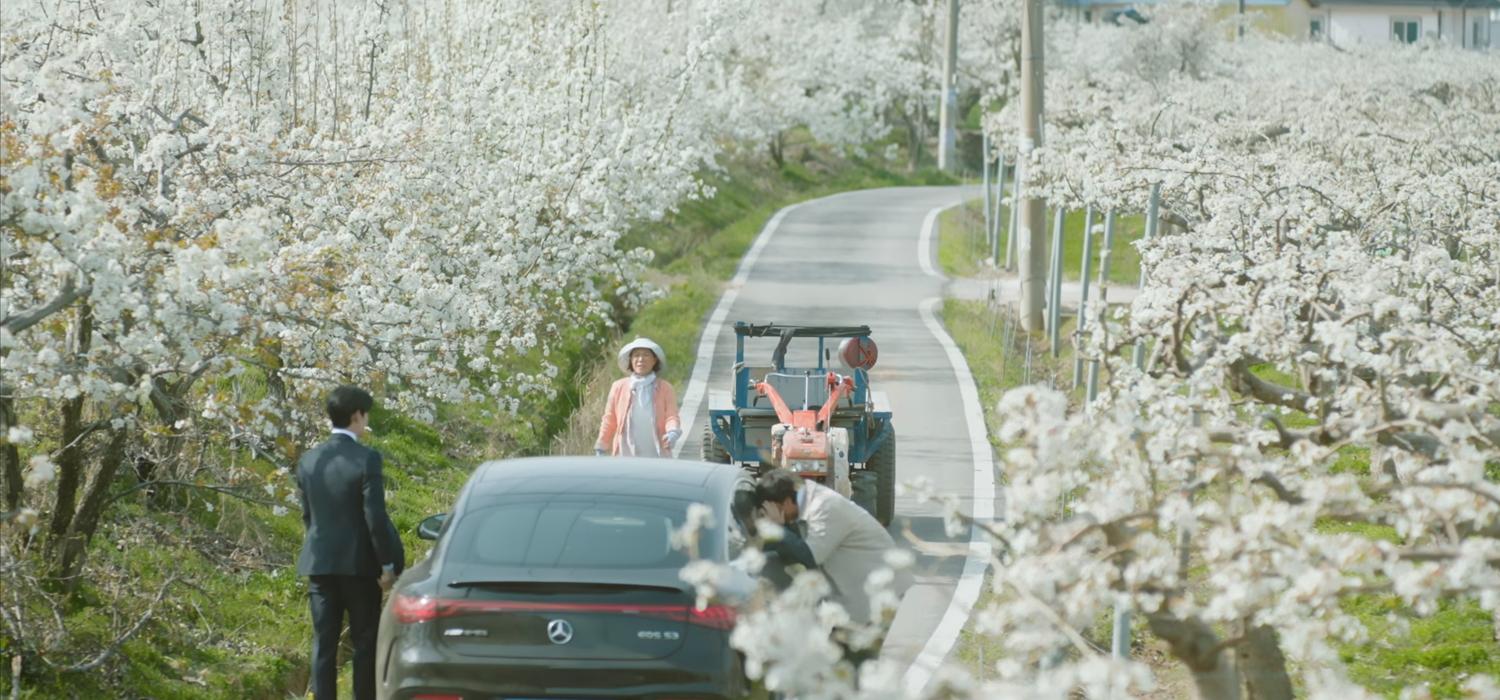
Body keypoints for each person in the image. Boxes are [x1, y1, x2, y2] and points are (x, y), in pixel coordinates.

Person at [295, 385, 405, 700]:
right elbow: (375, 517)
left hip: (319, 563)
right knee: (365, 642)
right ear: (357, 416)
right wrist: (386, 565)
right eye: (365, 415)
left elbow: (308, 517)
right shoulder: (366, 458)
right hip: (359, 566)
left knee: (323, 644)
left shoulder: (308, 460)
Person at [754, 469, 913, 629]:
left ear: (786, 502)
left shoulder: (824, 506)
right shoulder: (807, 504)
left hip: (878, 590)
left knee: (853, 649)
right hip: (857, 590)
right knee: (841, 650)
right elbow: (797, 546)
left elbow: (810, 557)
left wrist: (776, 528)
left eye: (770, 511)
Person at [595, 338, 682, 457]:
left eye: (646, 355)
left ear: (654, 360)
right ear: (630, 360)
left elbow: (671, 416)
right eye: (636, 355)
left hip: (655, 451)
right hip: (625, 450)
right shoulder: (618, 387)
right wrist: (601, 446)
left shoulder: (665, 388)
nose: (641, 359)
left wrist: (672, 432)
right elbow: (609, 419)